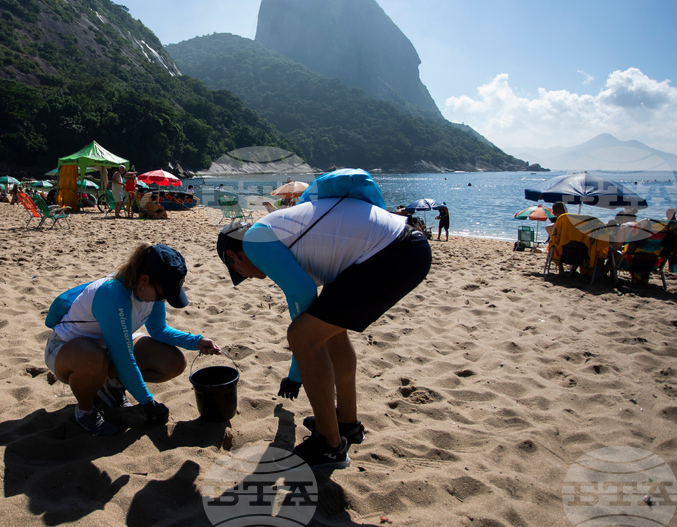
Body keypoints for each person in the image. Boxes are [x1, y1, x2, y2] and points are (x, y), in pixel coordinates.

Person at [216, 192, 432, 469]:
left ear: (234, 255)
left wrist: (295, 375)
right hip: (402, 245)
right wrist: (296, 368)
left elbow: (303, 297)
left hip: (390, 254)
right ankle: (346, 423)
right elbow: (306, 305)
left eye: (238, 272)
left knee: (303, 336)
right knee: (329, 333)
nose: (245, 277)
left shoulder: (256, 242)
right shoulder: (277, 235)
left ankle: (330, 446)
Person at [44, 244, 221, 435]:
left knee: (174, 362)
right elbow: (124, 357)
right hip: (66, 350)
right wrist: (148, 402)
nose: (163, 300)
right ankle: (85, 411)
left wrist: (196, 341)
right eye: (163, 294)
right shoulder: (113, 295)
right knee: (93, 359)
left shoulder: (149, 293)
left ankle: (109, 383)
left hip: (109, 346)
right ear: (144, 279)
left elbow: (159, 330)